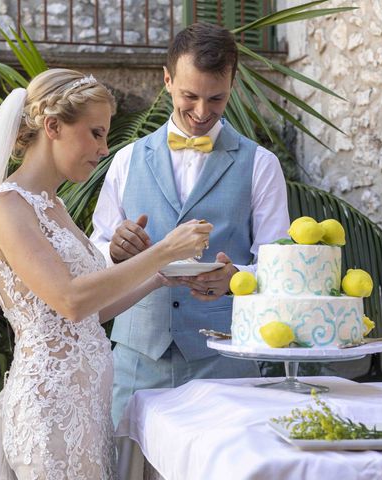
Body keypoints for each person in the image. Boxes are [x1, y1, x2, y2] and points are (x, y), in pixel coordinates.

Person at [0, 69, 212, 480]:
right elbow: (70, 298)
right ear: (52, 126)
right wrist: (164, 250)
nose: (103, 149)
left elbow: (89, 313)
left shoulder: (54, 206)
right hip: (50, 410)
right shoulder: (7, 207)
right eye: (95, 133)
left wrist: (160, 277)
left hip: (86, 408)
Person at [90, 23, 291, 425]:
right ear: (167, 80)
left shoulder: (261, 166)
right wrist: (112, 251)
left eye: (215, 98)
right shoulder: (127, 160)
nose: (202, 112)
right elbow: (93, 254)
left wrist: (236, 276)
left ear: (232, 83)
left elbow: (280, 267)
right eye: (190, 96)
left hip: (224, 363)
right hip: (136, 363)